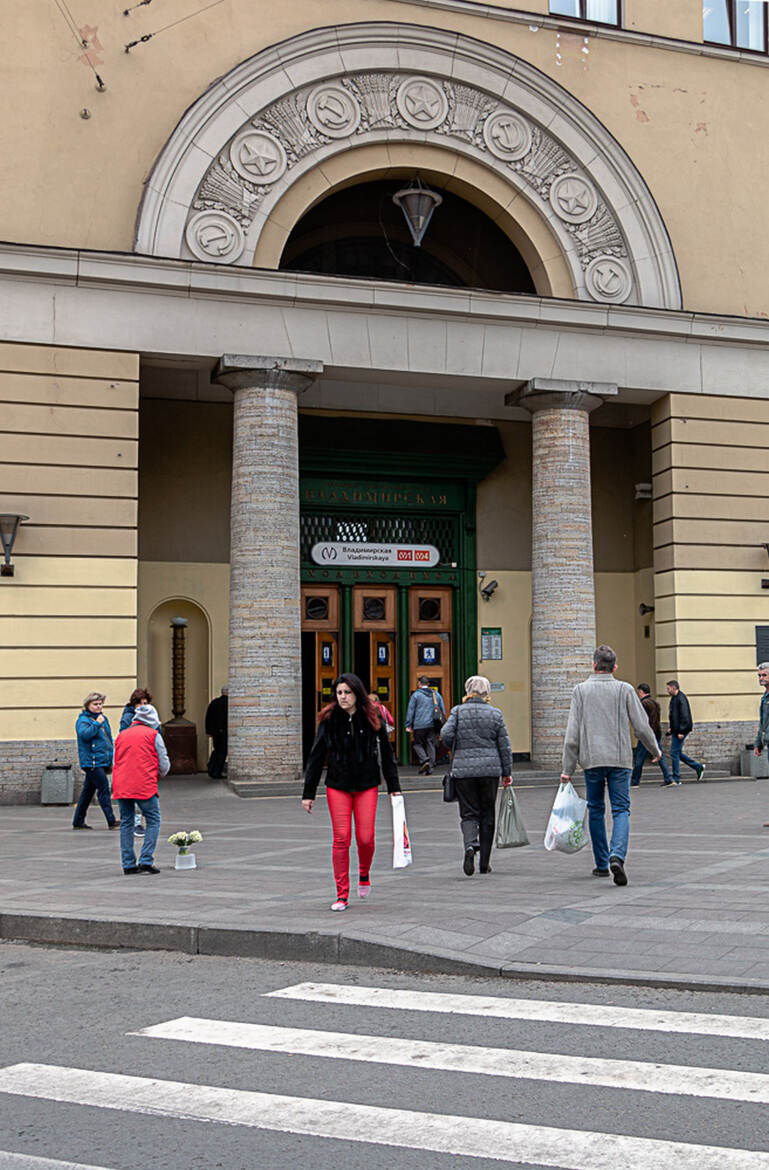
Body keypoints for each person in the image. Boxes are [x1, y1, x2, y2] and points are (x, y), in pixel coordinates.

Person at [560, 646, 661, 886]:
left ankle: (602, 863)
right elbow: (642, 726)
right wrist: (654, 749)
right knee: (621, 809)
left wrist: (568, 768)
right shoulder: (625, 689)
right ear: (614, 667)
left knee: (595, 809)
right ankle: (618, 854)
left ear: (594, 665)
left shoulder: (580, 691)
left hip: (592, 760)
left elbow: (572, 734)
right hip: (620, 761)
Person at [302, 672, 401, 912]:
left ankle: (364, 873)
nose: (343, 697)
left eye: (347, 692)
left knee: (366, 839)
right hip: (338, 784)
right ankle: (342, 894)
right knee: (341, 838)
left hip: (367, 783)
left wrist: (394, 788)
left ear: (357, 693)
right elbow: (316, 756)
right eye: (339, 693)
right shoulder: (328, 719)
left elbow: (387, 755)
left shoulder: (372, 716)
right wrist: (309, 792)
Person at [440, 675, 513, 877]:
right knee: (488, 814)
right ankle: (485, 863)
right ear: (487, 692)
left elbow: (445, 735)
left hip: (464, 771)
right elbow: (504, 746)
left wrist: (456, 745)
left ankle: (470, 845)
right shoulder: (495, 714)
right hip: (490, 771)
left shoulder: (457, 712)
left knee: (469, 812)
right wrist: (507, 772)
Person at [112, 703, 170, 874]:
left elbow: (116, 759)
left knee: (126, 822)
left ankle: (128, 863)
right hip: (144, 783)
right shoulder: (154, 735)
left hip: (122, 783)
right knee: (153, 819)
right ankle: (146, 859)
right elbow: (164, 761)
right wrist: (160, 774)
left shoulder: (122, 735)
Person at [73, 692, 119, 830]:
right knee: (104, 788)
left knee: (87, 793)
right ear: (88, 705)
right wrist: (96, 724)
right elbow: (85, 735)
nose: (98, 706)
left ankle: (78, 821)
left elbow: (107, 739)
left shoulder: (102, 718)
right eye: (95, 704)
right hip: (92, 762)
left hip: (101, 760)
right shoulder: (83, 720)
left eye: (100, 704)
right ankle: (111, 820)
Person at [120, 687, 153, 836]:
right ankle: (136, 823)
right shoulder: (128, 717)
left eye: (145, 703)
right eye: (140, 703)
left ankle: (137, 822)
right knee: (135, 794)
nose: (143, 706)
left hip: (143, 758)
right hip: (133, 759)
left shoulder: (147, 716)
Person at [631, 684, 673, 787]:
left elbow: (641, 720)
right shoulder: (655, 702)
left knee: (639, 757)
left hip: (647, 733)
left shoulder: (643, 703)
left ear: (641, 692)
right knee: (659, 754)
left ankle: (635, 781)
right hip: (656, 731)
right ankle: (668, 778)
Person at [666, 680, 705, 783]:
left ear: (674, 688)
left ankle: (676, 778)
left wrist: (681, 731)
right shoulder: (675, 698)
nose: (667, 690)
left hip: (681, 730)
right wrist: (671, 727)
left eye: (668, 688)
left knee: (674, 753)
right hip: (677, 729)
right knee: (677, 753)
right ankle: (698, 767)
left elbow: (685, 716)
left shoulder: (680, 698)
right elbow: (673, 715)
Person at [405, 676, 445, 775]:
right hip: (433, 724)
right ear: (428, 684)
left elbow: (411, 711)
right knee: (430, 744)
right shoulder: (436, 694)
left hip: (419, 724)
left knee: (417, 744)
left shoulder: (416, 695)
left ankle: (424, 760)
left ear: (419, 684)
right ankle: (430, 767)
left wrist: (408, 724)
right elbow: (442, 710)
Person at [752, 662, 769, 826]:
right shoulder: (765, 697)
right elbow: (763, 722)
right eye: (759, 675)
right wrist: (758, 743)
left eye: (764, 675)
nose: (761, 678)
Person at [205, 686, 228, 779]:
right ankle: (216, 771)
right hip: (224, 732)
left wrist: (209, 731)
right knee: (222, 752)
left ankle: (211, 767)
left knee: (217, 750)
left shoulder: (214, 703)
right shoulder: (228, 703)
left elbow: (208, 718)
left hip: (215, 732)